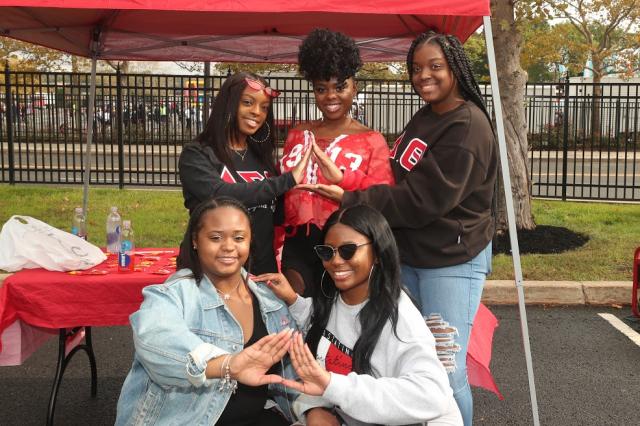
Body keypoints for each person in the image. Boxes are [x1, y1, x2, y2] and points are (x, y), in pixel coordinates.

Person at [299, 31, 498, 426]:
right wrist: (350, 182)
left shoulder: (467, 126)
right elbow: (397, 182)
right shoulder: (428, 115)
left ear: (456, 67)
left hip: (450, 261)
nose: (423, 75)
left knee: (443, 369)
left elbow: (421, 201)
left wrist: (350, 199)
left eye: (435, 66)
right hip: (411, 254)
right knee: (405, 356)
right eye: (416, 68)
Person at [255, 205, 462, 426]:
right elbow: (321, 326)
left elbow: (432, 394)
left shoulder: (400, 317)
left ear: (378, 254)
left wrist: (331, 385)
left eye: (348, 250)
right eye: (328, 251)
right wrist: (292, 299)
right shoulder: (335, 299)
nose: (335, 261)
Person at [115, 197, 299, 425]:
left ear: (250, 241)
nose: (229, 246)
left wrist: (311, 411)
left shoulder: (269, 299)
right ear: (195, 241)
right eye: (215, 238)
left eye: (239, 238)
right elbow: (154, 341)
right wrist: (227, 366)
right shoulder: (173, 294)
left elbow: (298, 363)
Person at [278, 28, 395, 296]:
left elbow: (383, 197)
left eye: (340, 86)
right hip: (298, 246)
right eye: (322, 89)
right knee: (297, 315)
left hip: (346, 247)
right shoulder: (298, 134)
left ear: (355, 86)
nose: (331, 96)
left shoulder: (371, 139)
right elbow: (282, 194)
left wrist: (344, 189)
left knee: (336, 324)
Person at [179, 72, 311, 275]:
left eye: (264, 107)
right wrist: (287, 180)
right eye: (247, 102)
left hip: (261, 274)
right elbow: (220, 195)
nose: (257, 112)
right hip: (211, 275)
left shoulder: (262, 157)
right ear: (228, 104)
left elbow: (276, 215)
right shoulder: (197, 154)